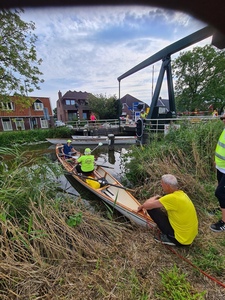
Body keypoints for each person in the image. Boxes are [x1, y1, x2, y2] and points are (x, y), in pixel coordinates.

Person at [137, 174, 198, 246]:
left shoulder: (171, 198)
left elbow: (146, 206)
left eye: (162, 184)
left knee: (152, 209)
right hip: (190, 237)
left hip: (181, 240)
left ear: (167, 186)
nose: (161, 186)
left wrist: (155, 196)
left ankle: (169, 238)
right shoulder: (182, 194)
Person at [210, 113, 225, 232]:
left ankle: (224, 222)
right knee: (222, 192)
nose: (223, 120)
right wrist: (217, 161)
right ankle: (222, 207)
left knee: (220, 193)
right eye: (222, 118)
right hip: (221, 167)